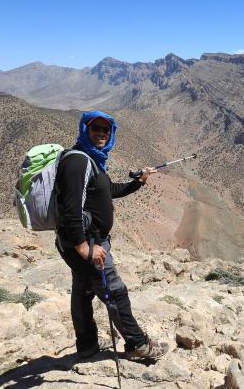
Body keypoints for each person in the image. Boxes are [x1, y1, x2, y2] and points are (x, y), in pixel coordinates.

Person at [55, 110, 169, 360]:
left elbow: (107, 191)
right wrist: (85, 248)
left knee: (83, 291)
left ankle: (86, 346)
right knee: (115, 292)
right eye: (95, 128)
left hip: (83, 241)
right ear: (85, 130)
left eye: (106, 130)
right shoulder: (79, 162)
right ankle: (137, 345)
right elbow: (70, 211)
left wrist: (139, 182)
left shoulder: (93, 161)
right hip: (87, 243)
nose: (101, 134)